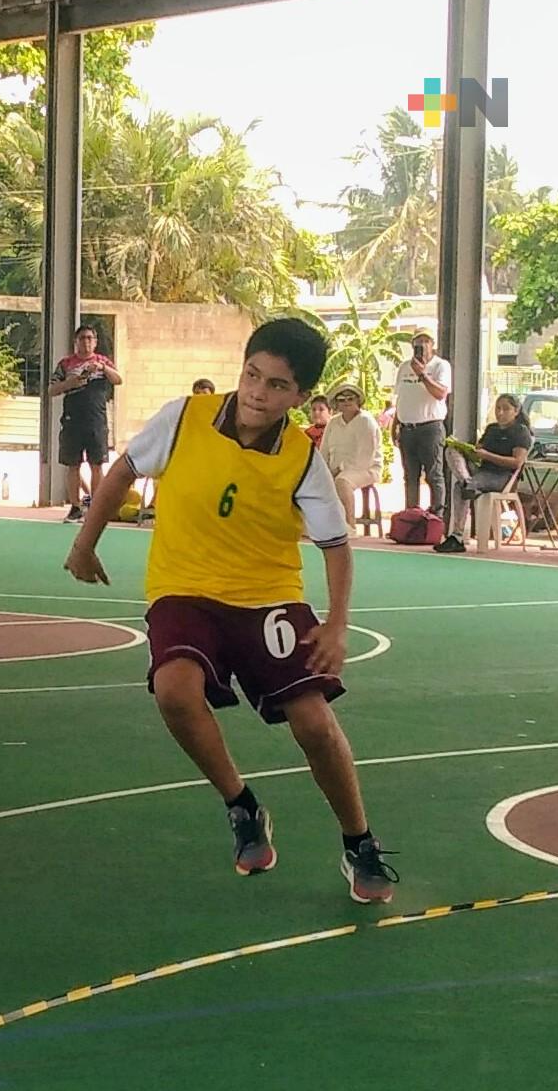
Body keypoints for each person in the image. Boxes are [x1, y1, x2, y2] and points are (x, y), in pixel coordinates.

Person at [64, 318, 397, 906]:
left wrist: (336, 623)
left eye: (275, 385)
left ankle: (358, 841)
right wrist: (84, 542)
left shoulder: (300, 459)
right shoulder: (185, 417)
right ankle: (242, 805)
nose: (256, 392)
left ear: (298, 398)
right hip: (184, 588)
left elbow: (336, 546)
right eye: (251, 375)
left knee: (313, 724)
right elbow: (122, 470)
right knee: (174, 690)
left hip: (267, 595)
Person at [433, 393, 533, 554]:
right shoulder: (491, 429)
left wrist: (488, 455)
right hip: (481, 471)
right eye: (498, 408)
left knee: (460, 488)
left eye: (505, 409)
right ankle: (468, 483)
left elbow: (516, 462)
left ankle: (457, 534)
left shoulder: (521, 432)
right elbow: (480, 449)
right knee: (452, 451)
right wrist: (472, 451)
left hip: (501, 476)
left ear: (516, 411)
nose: (500, 413)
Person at [49, 324, 121, 522]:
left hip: (96, 421)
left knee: (96, 464)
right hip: (72, 421)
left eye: (90, 338)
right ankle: (75, 507)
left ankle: (96, 506)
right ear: (76, 342)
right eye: (82, 338)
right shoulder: (65, 364)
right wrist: (70, 383)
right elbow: (52, 390)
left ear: (95, 342)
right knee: (73, 465)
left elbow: (118, 379)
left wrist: (103, 368)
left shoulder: (103, 361)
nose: (86, 342)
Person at [394, 329, 451, 510]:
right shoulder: (404, 367)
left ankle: (436, 516)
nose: (423, 346)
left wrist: (422, 374)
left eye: (427, 341)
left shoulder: (440, 366)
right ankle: (411, 516)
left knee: (434, 474)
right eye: (419, 342)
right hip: (407, 428)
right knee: (410, 476)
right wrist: (395, 425)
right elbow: (401, 397)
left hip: (430, 427)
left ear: (433, 345)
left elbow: (440, 393)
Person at [320, 384, 380, 526]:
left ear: (358, 401)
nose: (346, 402)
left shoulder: (366, 421)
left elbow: (365, 458)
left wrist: (340, 469)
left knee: (342, 481)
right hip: (335, 471)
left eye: (350, 398)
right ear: (336, 404)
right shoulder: (333, 422)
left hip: (366, 469)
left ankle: (348, 526)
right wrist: (324, 472)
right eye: (341, 399)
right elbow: (324, 451)